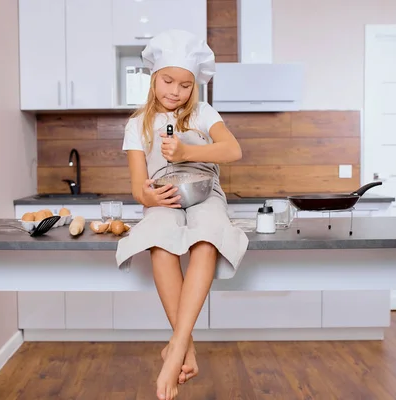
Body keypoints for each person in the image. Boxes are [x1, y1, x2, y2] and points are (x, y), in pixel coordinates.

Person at [115, 29, 249, 400]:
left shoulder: (204, 113)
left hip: (205, 192)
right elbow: (138, 185)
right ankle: (185, 347)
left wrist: (187, 152)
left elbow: (233, 150)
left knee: (206, 239)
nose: (175, 91)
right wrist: (150, 196)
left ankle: (173, 350)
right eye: (168, 81)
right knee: (160, 242)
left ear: (196, 87)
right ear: (153, 79)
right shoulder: (137, 124)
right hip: (164, 197)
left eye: (186, 85)